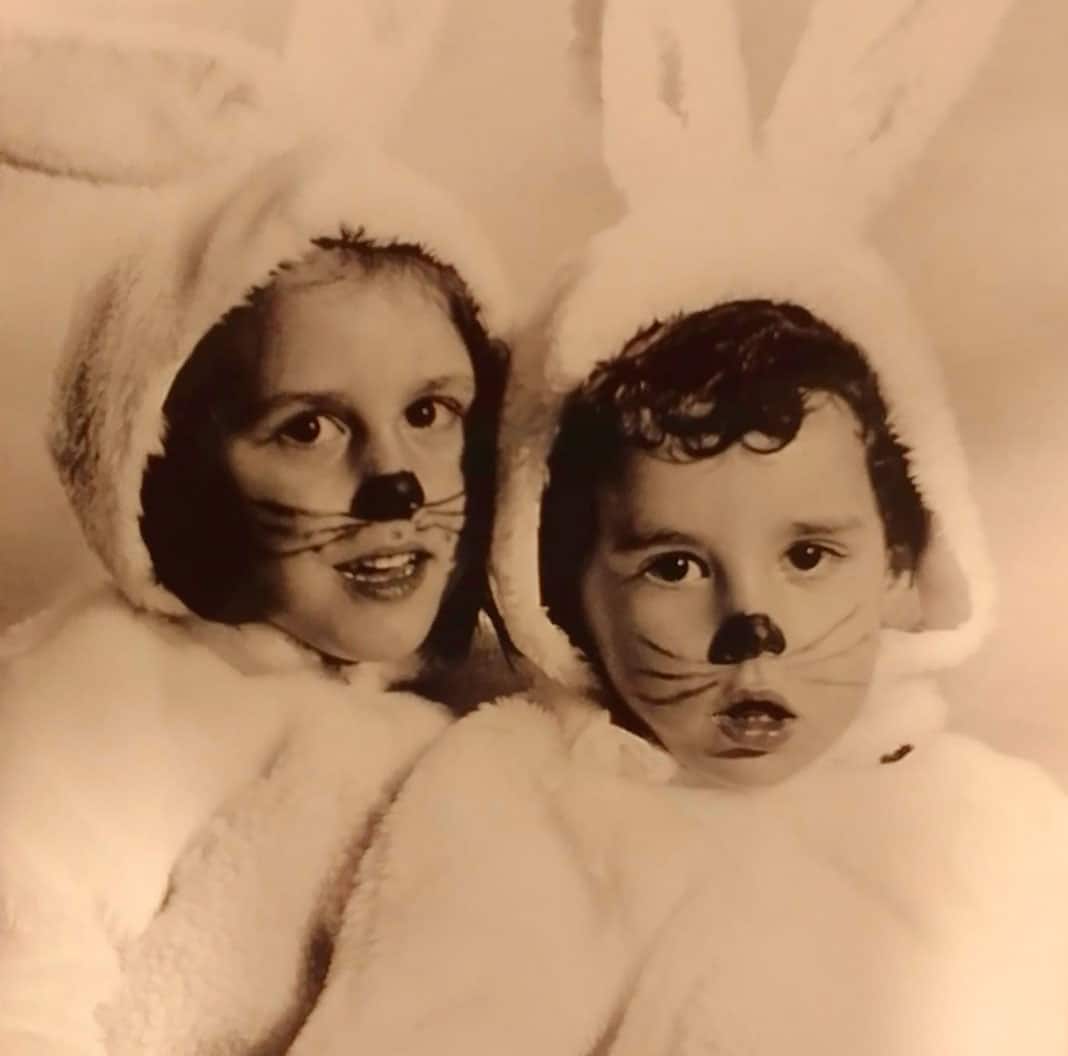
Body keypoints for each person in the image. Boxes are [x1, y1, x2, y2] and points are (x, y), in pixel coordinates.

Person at [283, 0, 1068, 1052]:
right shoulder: (520, 806)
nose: (752, 622)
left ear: (902, 559)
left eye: (807, 555)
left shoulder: (998, 834)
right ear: (561, 590)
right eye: (674, 563)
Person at [0, 131, 510, 1055]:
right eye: (308, 427)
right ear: (174, 463)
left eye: (430, 413)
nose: (394, 480)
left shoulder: (476, 713)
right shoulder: (107, 696)